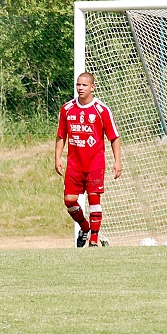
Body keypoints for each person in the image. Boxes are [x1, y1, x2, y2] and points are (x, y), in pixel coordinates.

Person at [55, 72, 122, 248]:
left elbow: (114, 137)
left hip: (95, 164)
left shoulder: (101, 110)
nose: (80, 88)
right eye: (78, 85)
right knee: (69, 200)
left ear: (92, 87)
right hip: (74, 165)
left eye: (84, 85)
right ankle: (84, 227)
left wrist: (117, 161)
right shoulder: (67, 109)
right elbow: (61, 135)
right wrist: (58, 157)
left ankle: (93, 240)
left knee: (94, 199)